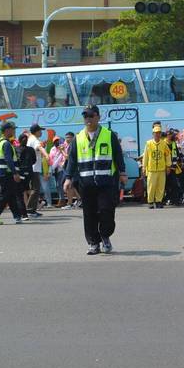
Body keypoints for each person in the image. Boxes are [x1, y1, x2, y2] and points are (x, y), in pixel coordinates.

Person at [63, 105, 127, 255]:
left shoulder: (109, 135)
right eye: (86, 116)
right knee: (89, 215)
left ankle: (105, 235)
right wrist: (68, 178)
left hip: (106, 182)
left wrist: (122, 172)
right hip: (86, 183)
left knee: (107, 212)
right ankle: (93, 243)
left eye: (91, 116)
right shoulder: (78, 138)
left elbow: (118, 155)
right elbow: (72, 160)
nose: (88, 119)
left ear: (98, 117)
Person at [0, 122, 24, 225]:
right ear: (7, 130)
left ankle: (17, 216)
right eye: (13, 129)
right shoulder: (6, 143)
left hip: (1, 172)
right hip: (7, 173)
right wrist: (15, 173)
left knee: (10, 195)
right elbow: (8, 159)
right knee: (5, 195)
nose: (14, 131)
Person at [142, 124, 171, 209]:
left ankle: (159, 201)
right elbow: (146, 156)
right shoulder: (149, 143)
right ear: (153, 134)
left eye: (159, 133)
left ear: (161, 134)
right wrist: (144, 167)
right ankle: (150, 202)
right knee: (151, 186)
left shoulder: (164, 144)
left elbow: (167, 155)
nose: (157, 134)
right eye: (155, 133)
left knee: (160, 186)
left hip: (161, 169)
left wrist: (168, 166)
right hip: (151, 169)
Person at [25, 124, 48, 217]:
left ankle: (31, 210)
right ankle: (30, 210)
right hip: (34, 168)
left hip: (32, 168)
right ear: (36, 131)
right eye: (40, 130)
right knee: (35, 189)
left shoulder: (31, 139)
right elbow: (39, 148)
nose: (41, 132)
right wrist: (46, 155)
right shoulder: (34, 140)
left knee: (34, 189)